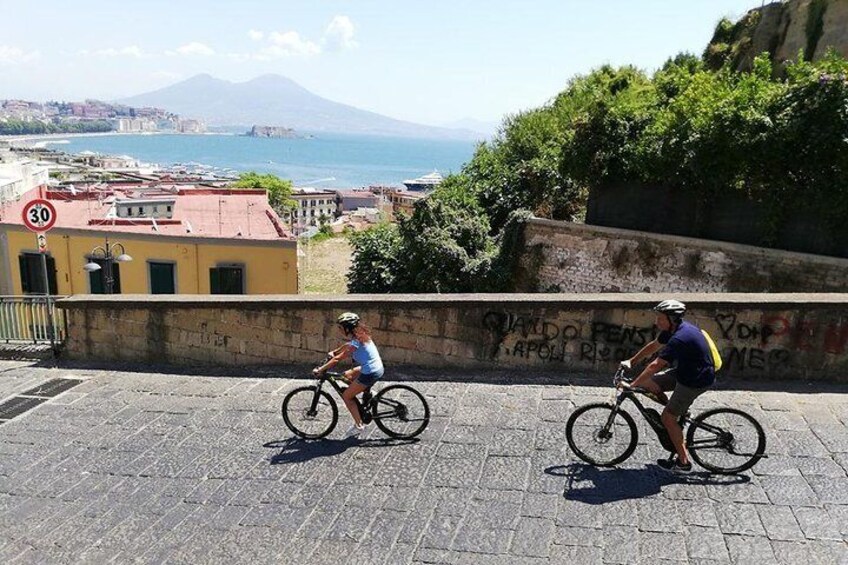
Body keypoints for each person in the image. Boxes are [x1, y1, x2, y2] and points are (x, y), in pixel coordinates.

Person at [619, 299, 716, 473]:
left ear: (672, 318)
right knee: (648, 383)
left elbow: (656, 365)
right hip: (685, 371)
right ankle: (679, 412)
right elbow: (654, 346)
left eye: (660, 318)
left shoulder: (680, 337)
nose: (657, 321)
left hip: (695, 380)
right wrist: (631, 362)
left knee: (667, 418)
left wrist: (632, 385)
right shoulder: (672, 330)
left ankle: (683, 463)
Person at [313, 312, 384, 438]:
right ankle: (367, 392)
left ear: (348, 328)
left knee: (347, 396)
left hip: (370, 372)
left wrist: (320, 369)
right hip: (374, 367)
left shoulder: (356, 341)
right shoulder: (360, 335)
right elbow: (347, 346)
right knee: (345, 376)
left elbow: (337, 359)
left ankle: (359, 426)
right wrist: (335, 351)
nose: (339, 330)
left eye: (341, 327)